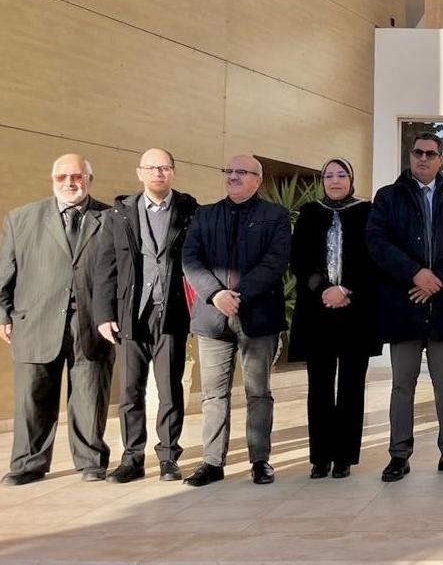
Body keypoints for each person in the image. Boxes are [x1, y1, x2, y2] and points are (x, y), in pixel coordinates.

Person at [366, 133, 443, 481]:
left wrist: (436, 280)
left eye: (431, 154)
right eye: (418, 153)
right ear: (410, 156)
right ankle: (399, 455)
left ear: (441, 160)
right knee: (403, 385)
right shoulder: (388, 197)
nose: (424, 158)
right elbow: (377, 242)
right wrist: (415, 273)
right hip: (404, 304)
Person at [0, 154, 113, 485]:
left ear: (89, 179)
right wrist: (3, 314)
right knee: (32, 397)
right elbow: (4, 273)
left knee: (90, 395)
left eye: (77, 176)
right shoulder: (21, 219)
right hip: (34, 321)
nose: (69, 183)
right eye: (61, 177)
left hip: (92, 322)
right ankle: (27, 464)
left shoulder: (111, 219)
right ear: (52, 180)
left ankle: (91, 461)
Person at [181, 155, 291, 486]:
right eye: (228, 171)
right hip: (212, 319)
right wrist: (216, 294)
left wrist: (238, 295)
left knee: (258, 392)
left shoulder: (276, 216)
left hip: (258, 316)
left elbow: (275, 262)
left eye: (241, 172)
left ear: (258, 179)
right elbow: (190, 258)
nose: (232, 176)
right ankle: (212, 463)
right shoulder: (205, 214)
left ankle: (260, 461)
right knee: (214, 395)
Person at [92, 148, 198, 483]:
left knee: (170, 389)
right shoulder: (119, 214)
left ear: (173, 172)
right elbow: (105, 267)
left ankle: (168, 457)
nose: (158, 173)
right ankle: (132, 459)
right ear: (140, 173)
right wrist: (104, 314)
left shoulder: (190, 211)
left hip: (171, 312)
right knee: (130, 391)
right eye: (151, 168)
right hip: (130, 314)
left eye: (164, 168)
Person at [289, 158, 380, 480]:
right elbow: (299, 260)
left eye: (341, 175)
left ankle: (344, 457)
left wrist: (345, 288)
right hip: (317, 312)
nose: (335, 180)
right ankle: (320, 457)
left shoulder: (368, 212)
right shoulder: (309, 213)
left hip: (356, 310)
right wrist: (324, 290)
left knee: (352, 385)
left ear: (351, 180)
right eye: (329, 175)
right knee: (320, 386)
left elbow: (374, 258)